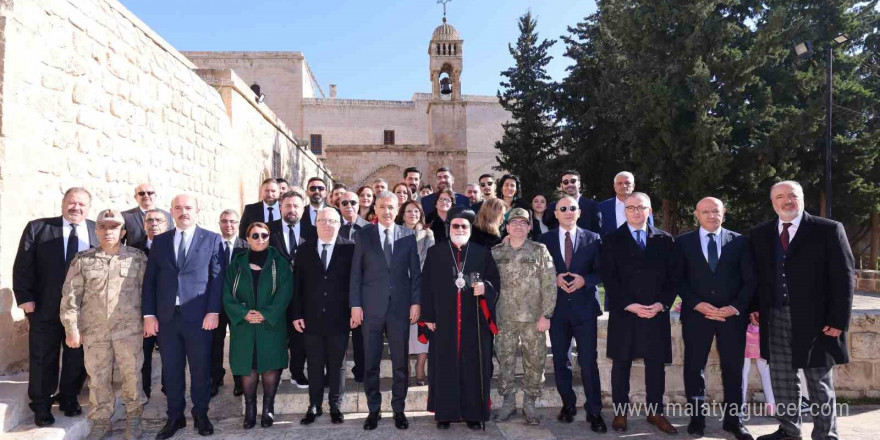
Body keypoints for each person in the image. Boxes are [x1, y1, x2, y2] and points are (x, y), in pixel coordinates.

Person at [749, 181, 854, 440]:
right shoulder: (760, 233)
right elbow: (756, 275)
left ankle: (825, 434)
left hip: (818, 321)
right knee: (782, 379)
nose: (787, 201)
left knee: (818, 381)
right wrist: (754, 307)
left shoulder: (828, 230)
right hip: (775, 317)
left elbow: (844, 277)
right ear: (772, 202)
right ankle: (788, 431)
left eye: (792, 196)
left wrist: (839, 319)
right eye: (780, 197)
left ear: (802, 198)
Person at [60, 209, 147, 440]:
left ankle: (134, 417)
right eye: (103, 227)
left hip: (129, 331)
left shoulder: (137, 258)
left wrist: (149, 320)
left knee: (132, 375)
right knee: (97, 378)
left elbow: (147, 294)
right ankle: (100, 420)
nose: (108, 231)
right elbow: (70, 297)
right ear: (96, 230)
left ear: (123, 231)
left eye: (114, 227)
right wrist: (71, 329)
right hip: (95, 332)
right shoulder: (83, 260)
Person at [142, 193, 224, 438]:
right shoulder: (161, 241)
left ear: (197, 210)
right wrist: (149, 314)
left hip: (199, 317)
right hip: (167, 318)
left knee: (200, 369)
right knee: (171, 369)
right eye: (178, 208)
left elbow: (217, 279)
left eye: (188, 207)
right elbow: (150, 281)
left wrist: (213, 311)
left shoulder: (211, 239)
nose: (183, 212)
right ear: (171, 211)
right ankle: (175, 416)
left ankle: (201, 414)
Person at [13, 187, 96, 426]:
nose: (76, 208)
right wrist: (25, 297)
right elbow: (23, 265)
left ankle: (69, 397)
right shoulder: (38, 228)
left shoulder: (95, 230)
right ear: (63, 204)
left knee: (76, 356)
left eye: (81, 204)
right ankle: (41, 405)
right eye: (71, 203)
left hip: (83, 309)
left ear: (88, 208)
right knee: (42, 356)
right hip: (44, 306)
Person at [600, 192, 679, 435]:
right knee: (621, 364)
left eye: (641, 207)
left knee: (655, 364)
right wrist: (628, 304)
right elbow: (609, 279)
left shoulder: (665, 240)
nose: (636, 211)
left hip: (655, 313)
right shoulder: (612, 239)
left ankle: (655, 412)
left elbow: (673, 278)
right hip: (626, 313)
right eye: (631, 207)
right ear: (625, 211)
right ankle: (620, 413)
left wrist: (661, 304)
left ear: (649, 211)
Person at [677, 197, 755, 439]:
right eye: (706, 212)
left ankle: (734, 420)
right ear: (696, 215)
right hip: (696, 316)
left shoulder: (740, 242)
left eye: (716, 211)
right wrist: (697, 304)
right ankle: (697, 419)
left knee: (733, 369)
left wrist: (734, 308)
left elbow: (750, 280)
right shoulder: (683, 242)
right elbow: (678, 279)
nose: (711, 215)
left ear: (724, 213)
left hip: (731, 318)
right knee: (693, 368)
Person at [422, 207, 500, 430]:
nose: (459, 229)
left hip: (473, 320)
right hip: (443, 320)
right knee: (444, 365)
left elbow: (495, 281)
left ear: (470, 229)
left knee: (473, 365)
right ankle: (444, 413)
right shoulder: (435, 252)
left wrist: (485, 288)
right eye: (455, 225)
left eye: (464, 226)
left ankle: (473, 414)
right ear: (449, 228)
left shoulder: (482, 253)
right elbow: (425, 284)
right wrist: (428, 316)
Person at [349, 191, 422, 431]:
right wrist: (355, 305)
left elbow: (415, 274)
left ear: (396, 208)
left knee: (400, 362)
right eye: (382, 207)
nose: (387, 211)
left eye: (391, 207)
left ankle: (399, 409)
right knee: (371, 362)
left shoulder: (408, 235)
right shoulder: (363, 235)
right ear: (375, 209)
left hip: (400, 309)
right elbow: (356, 275)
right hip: (370, 308)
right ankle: (373, 409)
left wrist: (415, 303)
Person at [538, 196, 607, 432]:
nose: (568, 212)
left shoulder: (593, 238)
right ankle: (568, 405)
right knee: (561, 361)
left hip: (585, 309)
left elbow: (603, 272)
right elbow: (539, 273)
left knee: (588, 361)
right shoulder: (544, 240)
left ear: (579, 213)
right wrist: (553, 278)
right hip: (557, 310)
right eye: (563, 208)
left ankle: (594, 411)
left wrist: (584, 280)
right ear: (555, 214)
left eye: (572, 208)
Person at [222, 222, 293, 429]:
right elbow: (227, 293)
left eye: (264, 235)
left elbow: (285, 292)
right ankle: (250, 410)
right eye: (255, 235)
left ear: (269, 237)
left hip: (271, 324)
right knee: (247, 366)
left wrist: (266, 314)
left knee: (271, 365)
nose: (260, 239)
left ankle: (268, 409)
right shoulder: (236, 263)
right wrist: (244, 314)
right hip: (244, 325)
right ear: (247, 238)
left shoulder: (279, 263)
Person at [492, 208, 556, 425]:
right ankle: (508, 401)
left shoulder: (540, 250)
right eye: (514, 223)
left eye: (523, 223)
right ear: (507, 227)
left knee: (535, 361)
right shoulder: (496, 252)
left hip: (533, 319)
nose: (518, 226)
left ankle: (530, 402)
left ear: (529, 227)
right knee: (505, 360)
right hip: (505, 318)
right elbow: (490, 286)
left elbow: (549, 284)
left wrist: (546, 314)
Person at [292, 208, 354, 426]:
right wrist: (296, 313)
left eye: (332, 221)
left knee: (337, 364)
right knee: (315, 363)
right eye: (323, 220)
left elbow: (355, 284)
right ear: (315, 223)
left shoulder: (350, 248)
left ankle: (335, 405)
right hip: (310, 317)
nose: (327, 224)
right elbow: (297, 284)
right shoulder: (304, 250)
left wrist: (354, 310)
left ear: (339, 224)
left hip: (340, 317)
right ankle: (314, 405)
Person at [268, 191, 312, 388]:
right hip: (275, 294)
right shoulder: (268, 230)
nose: (292, 210)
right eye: (288, 206)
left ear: (303, 209)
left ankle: (297, 372)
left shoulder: (312, 231)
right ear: (280, 208)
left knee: (299, 337)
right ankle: (273, 375)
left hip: (303, 294)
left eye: (296, 206)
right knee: (275, 336)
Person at [397, 200, 435, 385]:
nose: (412, 214)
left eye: (416, 211)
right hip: (400, 288)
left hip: (422, 287)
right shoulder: (395, 233)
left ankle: (420, 369)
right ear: (402, 214)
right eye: (408, 211)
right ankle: (404, 368)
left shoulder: (428, 235)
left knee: (421, 330)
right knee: (401, 331)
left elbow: (432, 262)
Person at [211, 209, 248, 398]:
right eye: (224, 221)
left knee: (238, 343)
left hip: (238, 304)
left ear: (238, 223)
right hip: (215, 304)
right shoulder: (211, 245)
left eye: (232, 221)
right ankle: (215, 379)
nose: (228, 225)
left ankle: (239, 380)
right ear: (219, 223)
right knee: (215, 343)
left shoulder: (246, 246)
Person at [140, 209, 171, 400]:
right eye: (149, 220)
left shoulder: (175, 246)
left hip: (169, 312)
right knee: (143, 356)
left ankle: (170, 389)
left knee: (170, 354)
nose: (154, 224)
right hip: (144, 313)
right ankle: (143, 392)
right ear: (144, 225)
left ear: (166, 224)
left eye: (159, 220)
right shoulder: (134, 250)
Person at [597, 171, 654, 236]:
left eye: (627, 183)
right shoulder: (602, 207)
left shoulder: (644, 204)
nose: (623, 186)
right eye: (619, 183)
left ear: (633, 186)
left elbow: (650, 228)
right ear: (614, 186)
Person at [122, 183, 173, 249]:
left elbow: (172, 239)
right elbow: (119, 243)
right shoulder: (125, 216)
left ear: (155, 195)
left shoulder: (167, 215)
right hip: (135, 258)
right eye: (141, 193)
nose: (146, 196)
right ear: (135, 197)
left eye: (150, 193)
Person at [743, 322, 775, 416]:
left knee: (743, 371)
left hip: (746, 325)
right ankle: (771, 405)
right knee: (765, 371)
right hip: (761, 326)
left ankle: (740, 404)